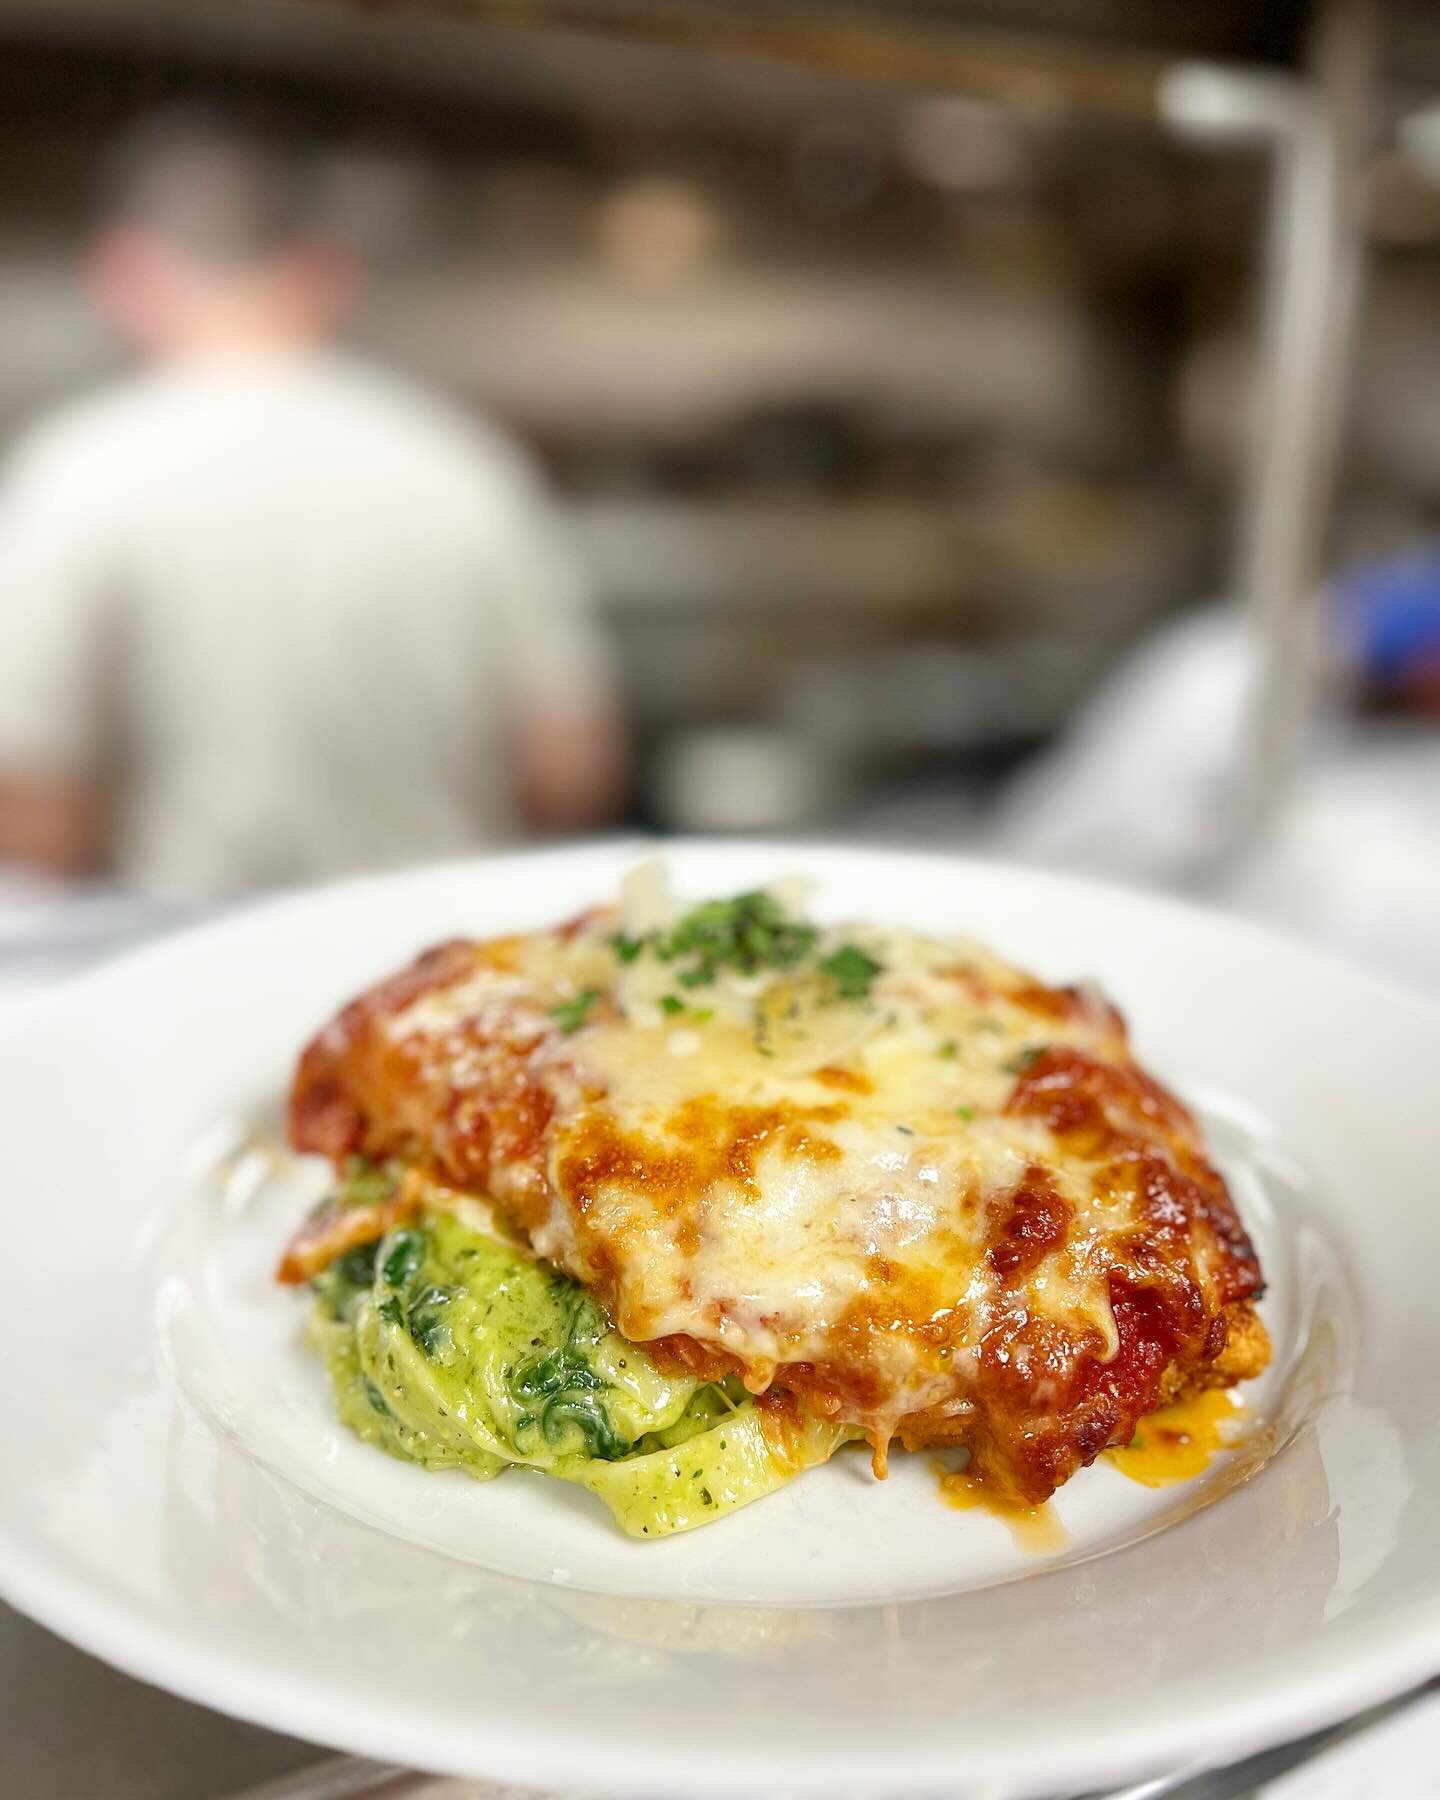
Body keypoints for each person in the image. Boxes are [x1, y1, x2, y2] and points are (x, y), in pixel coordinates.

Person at [0, 105, 626, 895]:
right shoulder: (461, 457)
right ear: (328, 273)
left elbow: (35, 812)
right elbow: (568, 769)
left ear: (118, 274)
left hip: (189, 960)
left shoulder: (75, 472)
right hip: (437, 967)